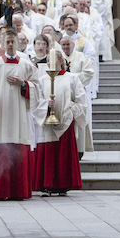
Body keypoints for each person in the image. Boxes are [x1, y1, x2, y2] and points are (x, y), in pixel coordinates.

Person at [0, 30, 45, 200]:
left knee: (18, 150)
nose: (10, 44)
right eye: (7, 41)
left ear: (18, 43)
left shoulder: (26, 64)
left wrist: (23, 84)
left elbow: (38, 87)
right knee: (0, 152)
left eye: (12, 42)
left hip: (19, 117)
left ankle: (18, 191)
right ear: (2, 43)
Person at [34, 51, 86, 196]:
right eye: (48, 61)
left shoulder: (72, 78)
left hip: (66, 120)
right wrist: (46, 105)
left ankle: (63, 185)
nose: (49, 63)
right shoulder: (43, 79)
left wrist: (70, 109)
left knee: (63, 154)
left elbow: (81, 101)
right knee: (48, 152)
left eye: (52, 60)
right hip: (48, 122)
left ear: (60, 61)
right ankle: (47, 184)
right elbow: (37, 100)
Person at [60, 36, 95, 157]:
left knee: (79, 119)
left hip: (78, 93)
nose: (66, 47)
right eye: (63, 45)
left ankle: (79, 149)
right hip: (63, 94)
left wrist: (71, 79)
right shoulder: (58, 58)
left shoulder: (82, 58)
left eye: (68, 44)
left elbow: (88, 73)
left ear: (73, 44)